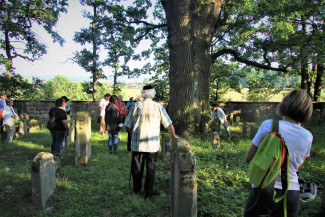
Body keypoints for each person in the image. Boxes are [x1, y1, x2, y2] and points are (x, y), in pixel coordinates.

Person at [244, 89, 313, 217]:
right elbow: (298, 164)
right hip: (291, 194)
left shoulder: (269, 125)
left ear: (284, 104)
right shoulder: (308, 136)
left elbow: (248, 157)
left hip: (264, 190)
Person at [125, 85, 179, 199]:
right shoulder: (158, 106)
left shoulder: (135, 106)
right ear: (153, 94)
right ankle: (148, 192)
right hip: (152, 144)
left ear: (142, 94)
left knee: (137, 168)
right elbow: (168, 123)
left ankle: (136, 190)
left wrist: (131, 133)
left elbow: (127, 125)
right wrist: (173, 135)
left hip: (137, 143)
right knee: (151, 168)